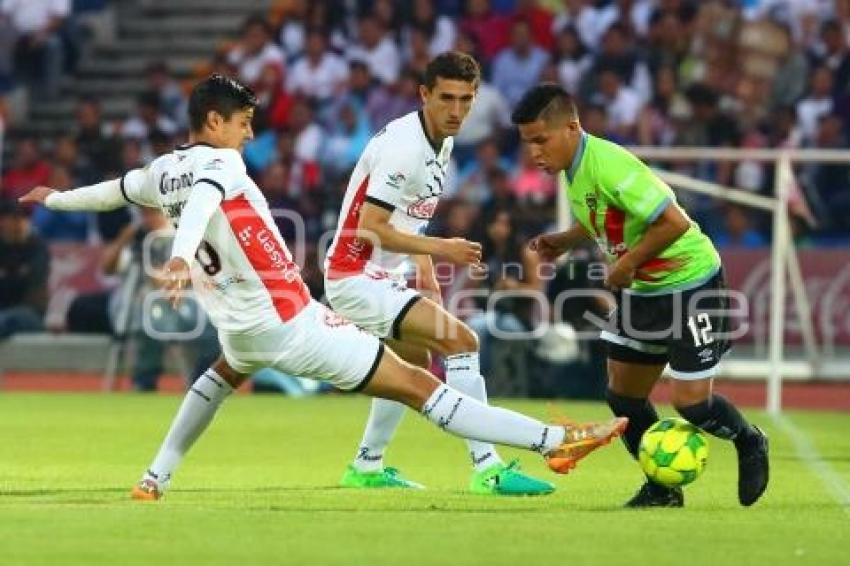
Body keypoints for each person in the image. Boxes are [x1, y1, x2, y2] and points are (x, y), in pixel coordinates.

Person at [20, 74, 626, 501]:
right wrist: (179, 257)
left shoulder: (162, 171)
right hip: (290, 321)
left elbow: (113, 190)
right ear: (213, 122)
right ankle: (553, 440)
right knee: (419, 385)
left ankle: (155, 476)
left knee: (219, 378)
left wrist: (57, 198)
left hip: (240, 326)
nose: (248, 135)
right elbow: (206, 200)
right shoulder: (220, 166)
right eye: (242, 123)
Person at [512, 83, 769, 508]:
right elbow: (607, 216)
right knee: (623, 396)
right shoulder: (573, 170)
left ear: (572, 128)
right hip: (646, 291)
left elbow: (673, 223)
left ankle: (750, 439)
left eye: (541, 140)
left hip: (690, 283)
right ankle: (663, 488)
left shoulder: (609, 164)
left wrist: (627, 263)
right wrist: (568, 238)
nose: (534, 153)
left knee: (691, 405)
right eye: (527, 143)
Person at [324, 52, 552, 496]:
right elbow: (370, 228)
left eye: (466, 100)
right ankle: (488, 467)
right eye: (446, 98)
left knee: (411, 362)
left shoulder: (441, 141)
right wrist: (442, 249)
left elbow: (410, 216)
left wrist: (424, 270)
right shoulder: (405, 147)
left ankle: (366, 466)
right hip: (353, 274)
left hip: (383, 275)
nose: (456, 110)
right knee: (463, 340)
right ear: (424, 94)